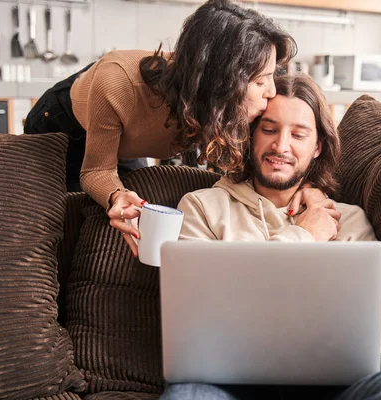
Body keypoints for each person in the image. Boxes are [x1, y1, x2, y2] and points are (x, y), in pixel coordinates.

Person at [163, 74, 381, 400]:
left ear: (318, 147)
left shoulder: (346, 219)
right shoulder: (202, 208)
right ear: (251, 135)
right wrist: (303, 235)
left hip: (328, 385)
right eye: (269, 129)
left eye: (299, 134)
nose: (281, 146)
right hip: (224, 385)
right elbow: (200, 323)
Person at [23, 0, 297, 257]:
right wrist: (114, 196)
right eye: (261, 81)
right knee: (61, 224)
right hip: (65, 125)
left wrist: (306, 187)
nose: (271, 91)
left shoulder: (234, 101)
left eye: (271, 76)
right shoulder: (119, 85)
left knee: (134, 212)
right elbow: (97, 170)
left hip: (127, 137)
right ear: (221, 82)